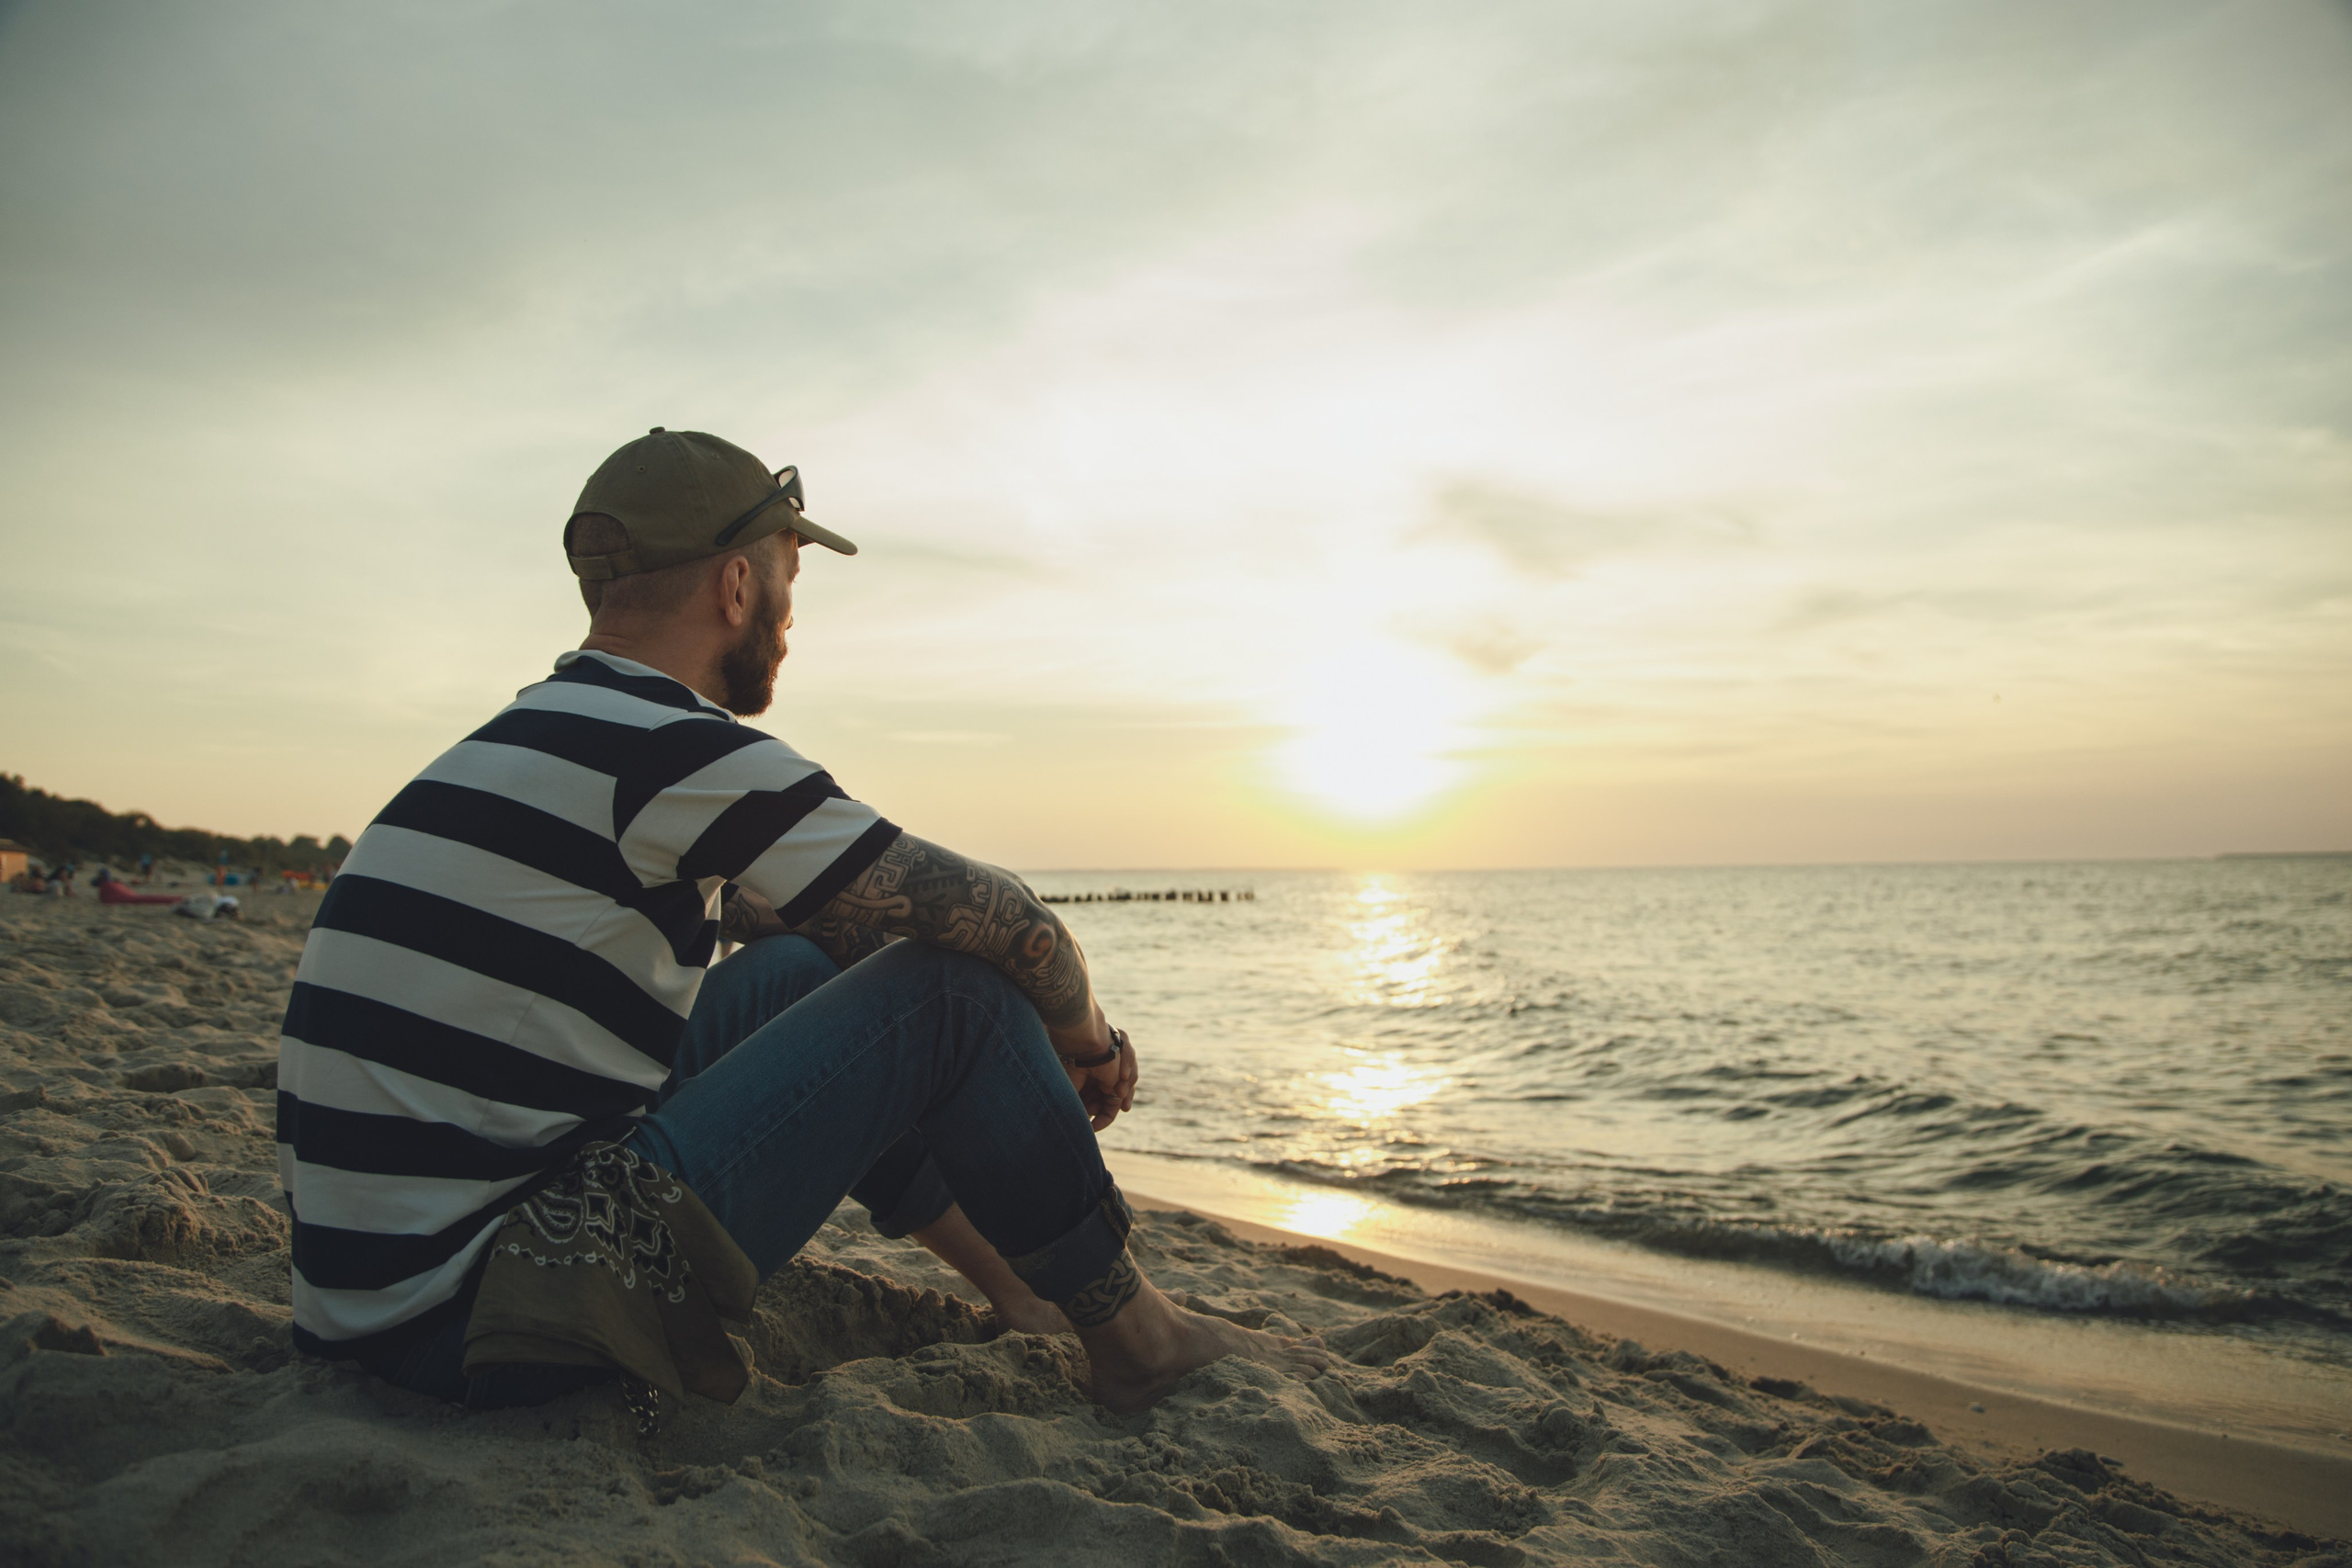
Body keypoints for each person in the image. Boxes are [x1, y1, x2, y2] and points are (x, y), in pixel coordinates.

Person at [275, 428, 1323, 1415]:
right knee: (950, 989)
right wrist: (1092, 1048)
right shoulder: (669, 748)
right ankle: (1141, 1344)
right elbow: (1006, 920)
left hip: (376, 1301)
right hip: (487, 1320)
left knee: (801, 968)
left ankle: (1023, 1292)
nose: (788, 615)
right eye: (789, 578)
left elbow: (812, 941)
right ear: (739, 584)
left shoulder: (529, 738)